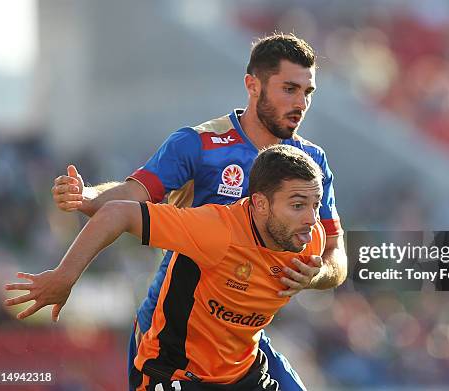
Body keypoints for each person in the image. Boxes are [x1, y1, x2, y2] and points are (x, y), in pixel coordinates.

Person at [50, 33, 347, 390]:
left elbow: (335, 253)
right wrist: (87, 195)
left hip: (242, 338)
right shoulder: (200, 144)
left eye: (307, 92)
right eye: (289, 89)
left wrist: (319, 274)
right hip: (175, 333)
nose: (300, 102)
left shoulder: (311, 163)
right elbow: (132, 196)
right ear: (253, 85)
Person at [6, 145, 326, 390]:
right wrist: (65, 277)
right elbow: (117, 213)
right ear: (260, 204)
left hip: (242, 375)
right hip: (174, 373)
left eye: (315, 204)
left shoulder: (308, 238)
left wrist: (318, 274)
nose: (311, 218)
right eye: (297, 205)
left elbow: (333, 268)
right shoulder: (217, 231)